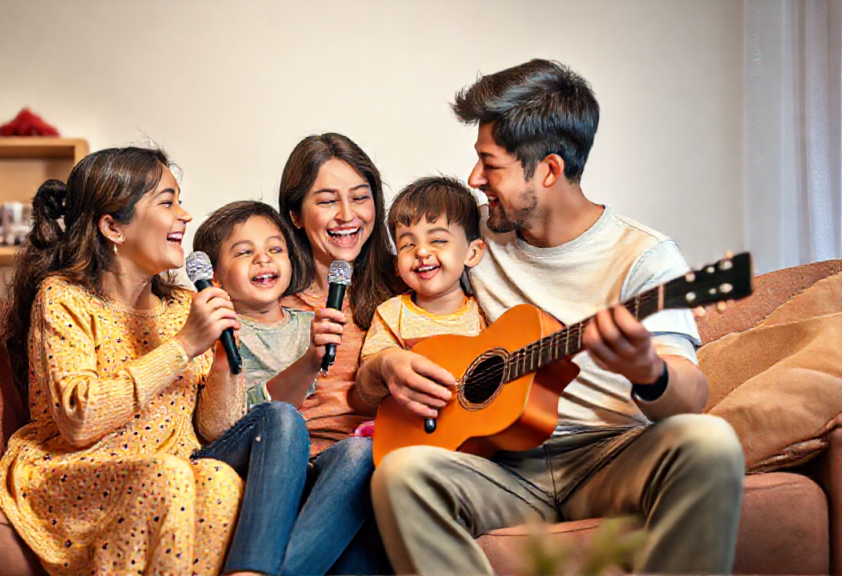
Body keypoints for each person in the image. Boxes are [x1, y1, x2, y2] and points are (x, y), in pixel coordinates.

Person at [360, 60, 746, 575]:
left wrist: (646, 370)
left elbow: (691, 399)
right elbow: (394, 288)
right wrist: (385, 366)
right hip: (503, 467)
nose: (475, 179)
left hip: (609, 456)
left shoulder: (645, 257)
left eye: (490, 165)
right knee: (400, 472)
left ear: (548, 170)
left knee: (711, 442)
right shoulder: (471, 237)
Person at [0, 146, 309, 576]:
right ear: (113, 227)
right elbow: (79, 419)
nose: (185, 214)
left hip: (172, 465)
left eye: (179, 199)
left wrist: (220, 358)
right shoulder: (64, 298)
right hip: (80, 470)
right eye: (167, 202)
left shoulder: (182, 305)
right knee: (168, 477)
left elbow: (213, 430)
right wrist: (182, 347)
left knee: (218, 483)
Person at [192, 200, 374, 575]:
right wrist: (309, 360)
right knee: (280, 417)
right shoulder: (211, 330)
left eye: (275, 249)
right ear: (216, 278)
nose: (264, 259)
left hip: (303, 460)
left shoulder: (313, 323)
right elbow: (230, 420)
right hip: (241, 450)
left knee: (360, 452)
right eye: (245, 252)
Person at [276, 133, 406, 574]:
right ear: (295, 214)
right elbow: (248, 410)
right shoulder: (268, 293)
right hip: (301, 470)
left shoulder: (407, 284)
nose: (347, 216)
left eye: (360, 198)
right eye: (328, 201)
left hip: (384, 466)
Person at [360, 176, 487, 366]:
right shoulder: (392, 314)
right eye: (408, 244)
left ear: (472, 253)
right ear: (397, 265)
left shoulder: (482, 314)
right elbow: (371, 370)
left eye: (438, 240)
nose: (421, 251)